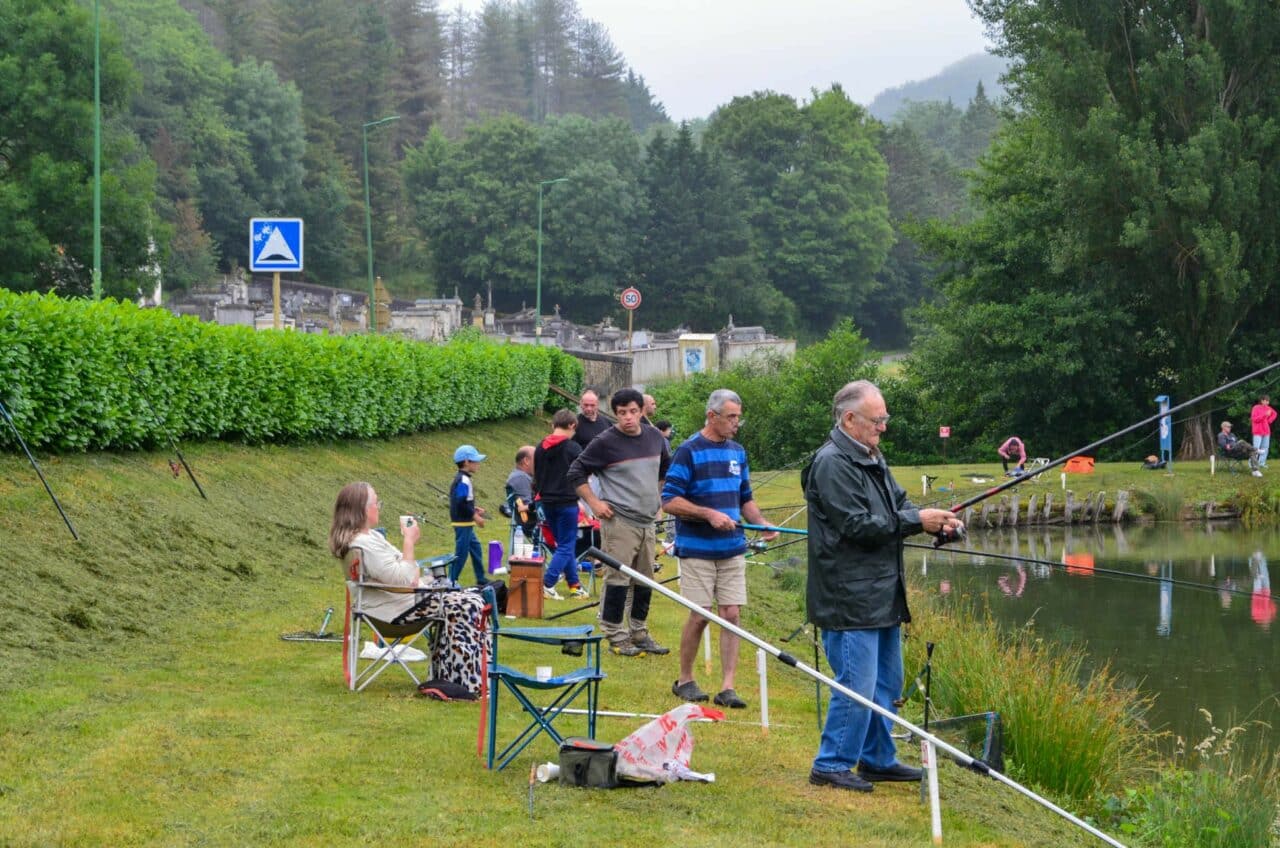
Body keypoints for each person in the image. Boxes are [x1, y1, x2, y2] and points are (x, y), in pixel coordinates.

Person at [805, 380, 963, 793]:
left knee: (885, 685)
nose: (884, 428)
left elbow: (900, 508)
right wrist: (915, 521)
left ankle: (877, 759)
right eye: (878, 420)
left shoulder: (872, 456)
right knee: (856, 685)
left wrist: (939, 525)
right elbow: (856, 526)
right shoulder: (832, 463)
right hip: (848, 596)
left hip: (882, 592)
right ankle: (831, 764)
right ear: (850, 419)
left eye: (885, 419)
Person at [662, 389, 777, 709]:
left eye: (738, 417)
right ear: (712, 416)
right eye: (731, 417)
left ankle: (727, 687)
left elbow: (746, 498)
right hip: (696, 548)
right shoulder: (687, 451)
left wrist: (761, 522)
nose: (736, 423)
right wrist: (708, 514)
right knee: (700, 616)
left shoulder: (737, 452)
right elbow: (669, 501)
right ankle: (685, 680)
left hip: (732, 548)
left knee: (732, 614)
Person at [329, 482, 486, 695]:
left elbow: (408, 572)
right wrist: (409, 541)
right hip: (395, 612)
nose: (379, 507)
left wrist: (419, 576)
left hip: (396, 604)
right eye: (376, 502)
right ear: (362, 509)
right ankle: (466, 680)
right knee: (469, 603)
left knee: (470, 597)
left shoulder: (371, 538)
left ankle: (454, 676)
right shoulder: (363, 544)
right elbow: (404, 579)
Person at [568, 387, 671, 657]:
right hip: (619, 521)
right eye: (622, 413)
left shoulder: (654, 438)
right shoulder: (605, 441)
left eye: (633, 412)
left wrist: (658, 498)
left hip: (647, 521)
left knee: (645, 579)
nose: (628, 417)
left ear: (642, 411)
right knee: (618, 578)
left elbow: (664, 470)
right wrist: (594, 503)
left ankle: (639, 631)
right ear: (615, 414)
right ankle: (615, 633)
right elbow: (576, 472)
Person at [534, 409, 590, 600]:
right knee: (567, 544)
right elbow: (583, 473)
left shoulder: (540, 447)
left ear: (553, 425)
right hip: (566, 502)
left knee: (563, 545)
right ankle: (548, 583)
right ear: (572, 425)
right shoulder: (573, 448)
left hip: (546, 501)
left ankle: (574, 585)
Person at [448, 444, 489, 585]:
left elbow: (462, 500)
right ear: (466, 462)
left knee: (476, 548)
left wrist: (473, 508)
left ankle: (481, 579)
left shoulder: (463, 478)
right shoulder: (463, 479)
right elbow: (460, 501)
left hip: (465, 520)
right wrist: (476, 517)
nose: (478, 464)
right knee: (461, 553)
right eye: (475, 461)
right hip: (462, 522)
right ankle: (451, 582)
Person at [506, 445, 536, 537]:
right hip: (533, 526)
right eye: (537, 459)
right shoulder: (520, 477)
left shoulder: (521, 476)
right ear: (526, 461)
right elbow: (528, 506)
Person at [1251, 395, 1276, 469]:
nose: (1267, 402)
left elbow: (1275, 414)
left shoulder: (1268, 408)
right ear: (1261, 401)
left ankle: (1262, 463)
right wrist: (1264, 415)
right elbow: (1254, 419)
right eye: (1265, 400)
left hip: (1266, 431)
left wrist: (1269, 420)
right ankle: (1253, 463)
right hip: (1258, 431)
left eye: (1268, 401)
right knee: (1256, 448)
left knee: (1265, 448)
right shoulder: (1256, 408)